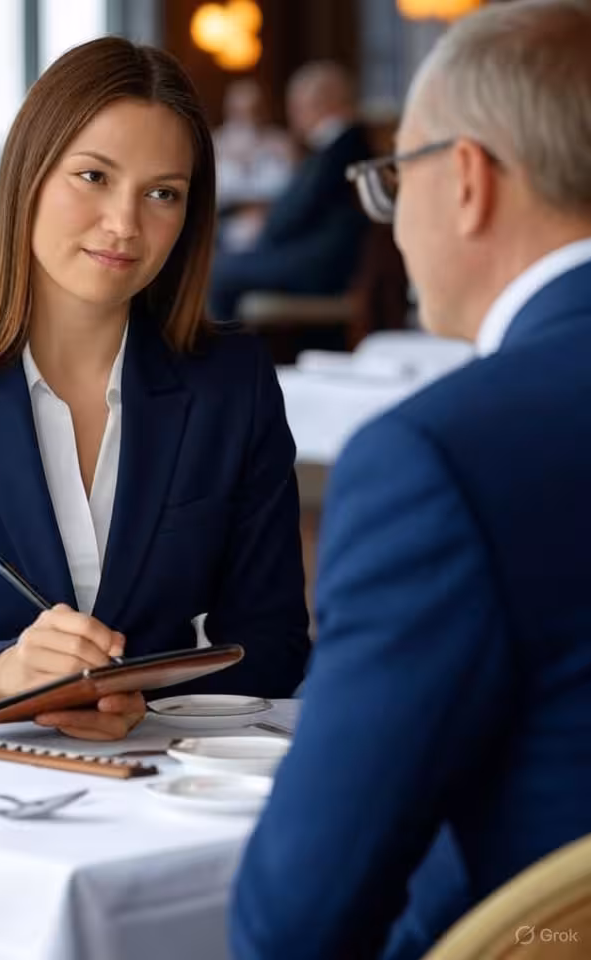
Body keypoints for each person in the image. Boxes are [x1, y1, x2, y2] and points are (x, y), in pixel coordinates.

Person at [231, 1, 591, 957]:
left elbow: (297, 920)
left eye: (395, 179)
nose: (388, 223)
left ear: (466, 180)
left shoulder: (439, 457)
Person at [0, 37, 310, 739]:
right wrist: (6, 676)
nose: (125, 225)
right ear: (29, 176)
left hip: (169, 786)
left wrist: (146, 697)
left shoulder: (234, 385)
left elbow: (275, 643)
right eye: (94, 177)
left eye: (162, 193)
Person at [208, 61, 371, 322]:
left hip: (321, 265)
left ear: (322, 103)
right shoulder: (340, 146)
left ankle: (222, 361)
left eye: (297, 106)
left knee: (218, 271)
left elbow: (292, 214)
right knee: (221, 262)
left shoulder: (340, 148)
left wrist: (264, 231)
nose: (294, 115)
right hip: (313, 253)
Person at [213, 79, 295, 252]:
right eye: (239, 112)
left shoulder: (282, 143)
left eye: (254, 111)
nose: (247, 118)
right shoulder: (215, 144)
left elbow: (298, 191)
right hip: (222, 229)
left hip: (273, 226)